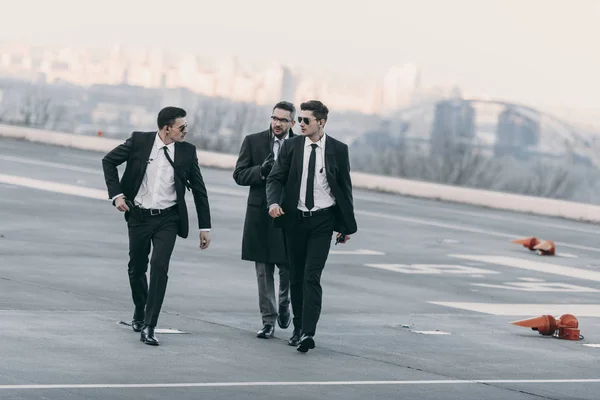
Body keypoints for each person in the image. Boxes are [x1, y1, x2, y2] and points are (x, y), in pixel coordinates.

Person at [102, 106, 211, 346]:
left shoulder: (187, 152)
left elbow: (200, 190)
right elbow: (108, 161)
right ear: (166, 128)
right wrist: (117, 195)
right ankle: (140, 310)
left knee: (159, 267)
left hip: (168, 219)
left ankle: (150, 326)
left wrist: (205, 227)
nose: (186, 131)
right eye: (182, 127)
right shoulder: (140, 141)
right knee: (136, 267)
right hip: (139, 216)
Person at [266, 100, 357, 353]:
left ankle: (308, 332)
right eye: (301, 120)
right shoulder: (291, 146)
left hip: (322, 220)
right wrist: (273, 203)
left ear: (321, 122)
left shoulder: (338, 149)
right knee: (295, 277)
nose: (301, 124)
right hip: (294, 219)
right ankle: (297, 328)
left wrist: (346, 226)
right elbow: (275, 177)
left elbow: (344, 189)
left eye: (306, 120)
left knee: (311, 276)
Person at [233, 101, 296, 339]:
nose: (277, 124)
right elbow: (239, 175)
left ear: (292, 123)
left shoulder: (298, 145)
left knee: (288, 266)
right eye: (274, 118)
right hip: (259, 213)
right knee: (263, 270)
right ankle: (268, 321)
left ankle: (284, 303)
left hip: (287, 213)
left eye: (283, 120)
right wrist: (261, 170)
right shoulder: (253, 141)